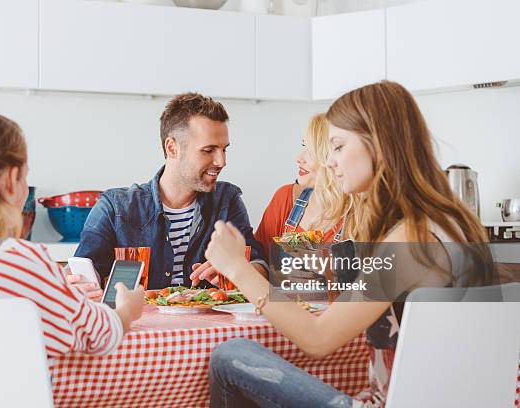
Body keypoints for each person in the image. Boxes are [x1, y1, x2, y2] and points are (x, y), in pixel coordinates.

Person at [204, 81, 492, 407]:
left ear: (378, 145)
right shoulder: (449, 222)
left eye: (338, 147)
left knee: (231, 354)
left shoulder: (411, 238)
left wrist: (238, 269)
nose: (329, 162)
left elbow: (318, 338)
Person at [0, 111, 144, 362]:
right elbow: (100, 335)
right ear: (12, 180)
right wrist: (126, 310)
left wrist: (58, 291)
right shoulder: (20, 260)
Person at [70, 92, 267, 296]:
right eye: (208, 150)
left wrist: (238, 271)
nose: (221, 161)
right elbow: (81, 273)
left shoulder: (227, 201)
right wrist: (76, 284)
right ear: (172, 148)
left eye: (224, 150)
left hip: (209, 328)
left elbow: (259, 264)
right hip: (137, 325)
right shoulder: (115, 207)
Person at [254, 114, 358, 261]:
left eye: (311, 150)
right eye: (304, 145)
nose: (299, 158)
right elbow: (259, 262)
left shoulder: (359, 218)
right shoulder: (285, 198)